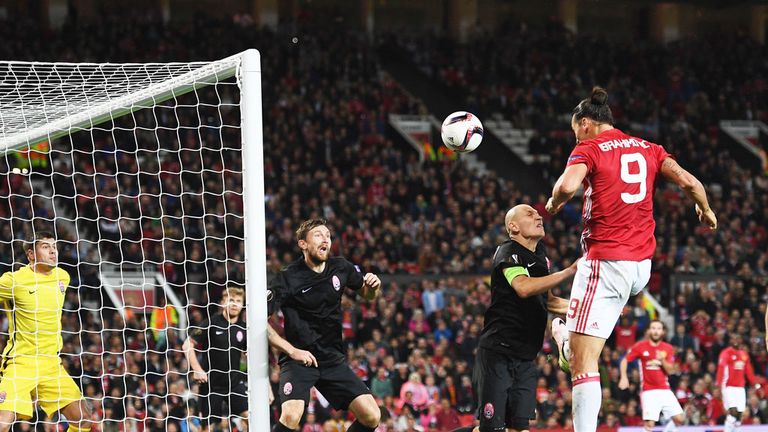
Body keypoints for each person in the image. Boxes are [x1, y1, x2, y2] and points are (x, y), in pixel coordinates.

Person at [546, 86, 717, 432]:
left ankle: (568, 346)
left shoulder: (588, 147)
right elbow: (689, 181)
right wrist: (706, 208)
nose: (574, 135)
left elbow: (566, 187)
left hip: (607, 260)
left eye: (574, 128)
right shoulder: (648, 147)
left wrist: (554, 204)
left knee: (583, 363)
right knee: (583, 330)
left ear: (585, 123)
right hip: (641, 266)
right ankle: (567, 330)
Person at [452, 204, 575, 432]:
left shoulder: (541, 258)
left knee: (519, 428)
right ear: (513, 226)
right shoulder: (507, 252)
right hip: (499, 352)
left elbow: (549, 301)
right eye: (530, 214)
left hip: (526, 356)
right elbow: (524, 287)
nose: (538, 216)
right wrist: (569, 271)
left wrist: (590, 308)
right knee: (492, 429)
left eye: (538, 214)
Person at [267, 218, 382, 432]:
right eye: (319, 235)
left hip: (331, 358)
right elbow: (258, 322)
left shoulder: (340, 267)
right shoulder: (287, 277)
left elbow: (367, 294)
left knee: (372, 416)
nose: (326, 240)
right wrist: (292, 351)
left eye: (328, 236)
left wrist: (373, 287)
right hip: (299, 360)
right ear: (303, 244)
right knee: (291, 416)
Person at [0, 231, 93, 431]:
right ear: (31, 254)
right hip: (21, 362)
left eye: (54, 246)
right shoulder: (13, 280)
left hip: (51, 364)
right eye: (45, 246)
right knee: (2, 423)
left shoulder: (62, 277)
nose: (53, 251)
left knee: (84, 419)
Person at [182, 287, 248, 431]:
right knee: (208, 428)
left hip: (234, 384)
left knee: (251, 419)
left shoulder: (243, 328)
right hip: (211, 386)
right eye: (231, 300)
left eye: (238, 301)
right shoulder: (211, 323)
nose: (235, 304)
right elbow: (187, 344)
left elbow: (251, 353)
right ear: (223, 303)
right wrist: (197, 369)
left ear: (243, 304)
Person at [618, 320, 684, 432]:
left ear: (663, 332)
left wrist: (662, 360)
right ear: (648, 331)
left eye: (659, 329)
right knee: (649, 425)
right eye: (653, 328)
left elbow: (670, 370)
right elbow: (624, 360)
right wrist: (623, 377)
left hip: (665, 390)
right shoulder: (640, 346)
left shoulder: (668, 348)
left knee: (680, 419)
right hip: (648, 391)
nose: (656, 331)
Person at [716, 334, 756, 432]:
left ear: (741, 340)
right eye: (733, 338)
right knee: (732, 412)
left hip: (740, 387)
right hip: (728, 387)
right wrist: (718, 384)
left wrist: (753, 382)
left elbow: (748, 370)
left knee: (739, 414)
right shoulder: (726, 353)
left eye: (738, 338)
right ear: (730, 340)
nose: (736, 340)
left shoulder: (744, 354)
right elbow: (721, 368)